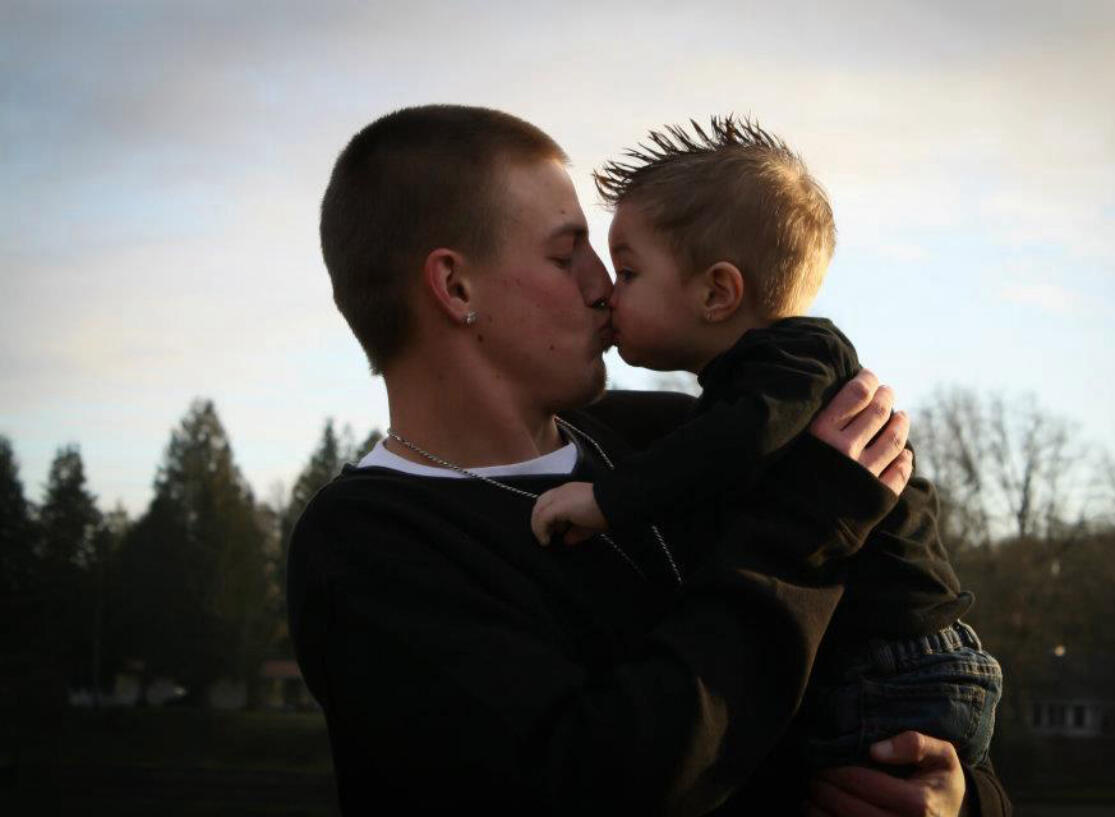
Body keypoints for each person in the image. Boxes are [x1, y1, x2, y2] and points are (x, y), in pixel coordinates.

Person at [288, 104, 1011, 815]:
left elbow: (898, 663)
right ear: (455, 287)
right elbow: (596, 780)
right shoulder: (366, 546)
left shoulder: (679, 437)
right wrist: (806, 533)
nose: (602, 284)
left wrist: (959, 801)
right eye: (565, 250)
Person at [529, 117, 1002, 770]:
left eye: (630, 272)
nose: (610, 294)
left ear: (717, 292)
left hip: (899, 666)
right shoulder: (750, 388)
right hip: (884, 663)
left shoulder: (798, 361)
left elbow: (729, 445)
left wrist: (608, 499)